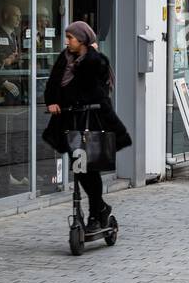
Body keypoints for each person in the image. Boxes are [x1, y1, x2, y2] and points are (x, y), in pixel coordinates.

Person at [42, 21, 132, 231]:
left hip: (91, 120)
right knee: (80, 168)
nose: (67, 42)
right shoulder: (64, 58)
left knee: (89, 168)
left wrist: (88, 58)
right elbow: (53, 83)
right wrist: (52, 101)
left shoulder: (96, 61)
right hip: (70, 119)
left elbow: (96, 90)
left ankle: (95, 213)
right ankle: (100, 208)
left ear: (81, 40)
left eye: (70, 38)